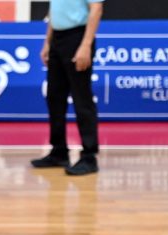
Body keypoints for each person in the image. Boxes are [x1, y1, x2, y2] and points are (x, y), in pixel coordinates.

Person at [31, 0, 104, 176]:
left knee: (81, 97)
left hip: (77, 37)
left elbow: (96, 9)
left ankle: (89, 156)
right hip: (57, 38)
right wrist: (47, 42)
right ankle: (59, 151)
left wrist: (86, 45)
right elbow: (54, 10)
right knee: (54, 97)